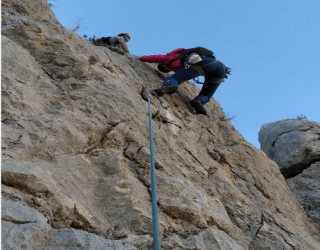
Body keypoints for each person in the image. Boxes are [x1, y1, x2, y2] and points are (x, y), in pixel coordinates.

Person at [139, 47, 230, 115]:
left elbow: (154, 58)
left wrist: (141, 58)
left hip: (205, 63)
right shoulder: (181, 57)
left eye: (164, 67)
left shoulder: (168, 58)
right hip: (221, 68)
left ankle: (169, 86)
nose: (167, 68)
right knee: (206, 94)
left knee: (174, 78)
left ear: (163, 65)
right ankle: (199, 101)